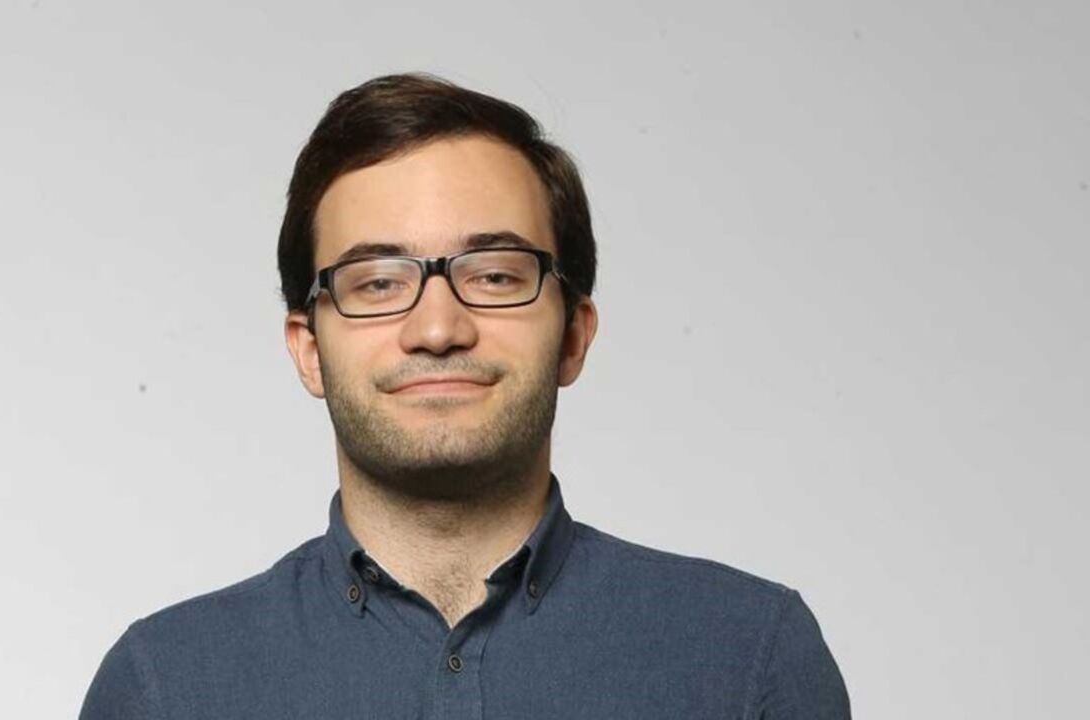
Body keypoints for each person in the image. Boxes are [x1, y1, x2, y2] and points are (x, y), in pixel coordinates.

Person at [79, 72, 850, 719]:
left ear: (573, 335)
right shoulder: (165, 686)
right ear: (308, 351)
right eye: (376, 283)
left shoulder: (748, 655)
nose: (437, 328)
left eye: (495, 276)